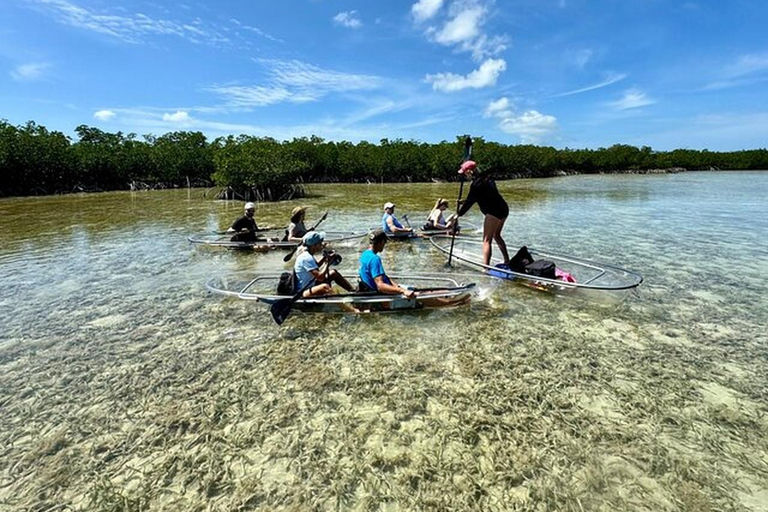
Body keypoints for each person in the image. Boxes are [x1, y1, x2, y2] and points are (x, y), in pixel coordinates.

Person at [457, 161, 510, 266]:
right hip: (503, 208)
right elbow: (483, 195)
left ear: (469, 171)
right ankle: (507, 260)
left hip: (493, 211)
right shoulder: (488, 178)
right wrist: (465, 201)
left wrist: (459, 214)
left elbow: (470, 202)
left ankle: (485, 267)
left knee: (486, 240)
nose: (464, 175)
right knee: (496, 235)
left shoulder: (475, 184)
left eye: (465, 173)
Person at [294, 231, 355, 297]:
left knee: (333, 273)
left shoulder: (307, 255)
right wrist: (327, 263)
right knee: (325, 287)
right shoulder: (306, 258)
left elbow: (315, 266)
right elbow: (320, 277)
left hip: (312, 285)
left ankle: (353, 292)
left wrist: (325, 258)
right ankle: (344, 305)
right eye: (320, 242)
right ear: (314, 245)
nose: (322, 244)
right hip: (304, 291)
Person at [358, 230, 415, 298]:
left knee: (412, 289)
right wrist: (403, 291)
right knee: (417, 293)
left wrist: (395, 285)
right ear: (381, 242)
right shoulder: (375, 259)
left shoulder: (365, 254)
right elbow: (380, 286)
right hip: (381, 294)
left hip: (370, 288)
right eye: (385, 242)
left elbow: (382, 276)